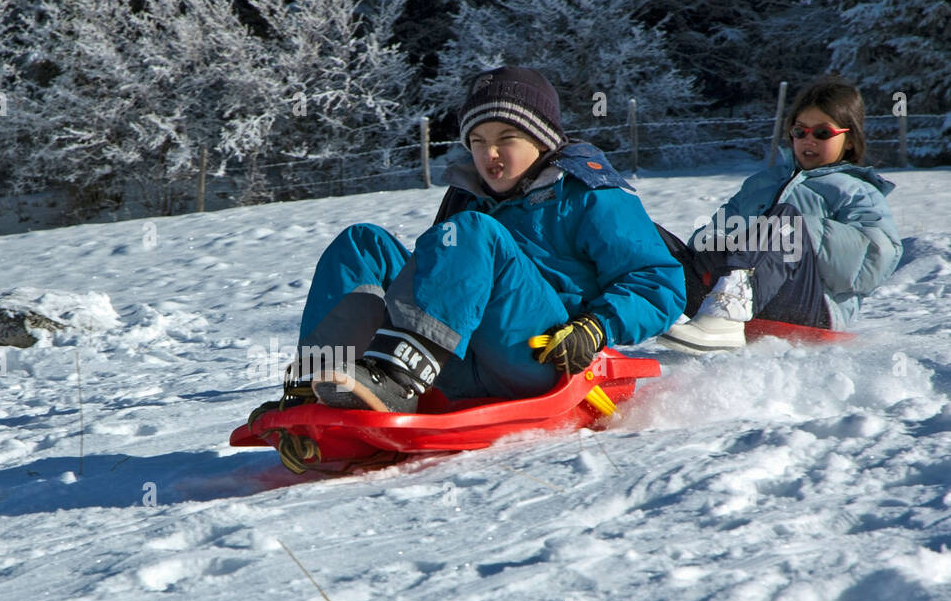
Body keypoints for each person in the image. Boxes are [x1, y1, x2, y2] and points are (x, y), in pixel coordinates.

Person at [250, 65, 685, 419]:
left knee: (474, 231)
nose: (488, 155)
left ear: (542, 140)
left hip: (541, 355)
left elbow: (659, 282)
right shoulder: (467, 197)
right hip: (453, 362)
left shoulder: (589, 193)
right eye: (477, 142)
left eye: (505, 140)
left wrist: (597, 326)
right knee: (362, 244)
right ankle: (318, 383)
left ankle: (397, 377)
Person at [658, 75, 901, 353]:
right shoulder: (761, 183)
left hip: (808, 305)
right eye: (800, 131)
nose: (808, 140)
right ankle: (606, 323)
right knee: (640, 234)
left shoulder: (856, 191)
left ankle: (724, 316)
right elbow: (712, 232)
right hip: (723, 293)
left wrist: (801, 231)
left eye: (822, 133)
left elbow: (879, 255)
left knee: (786, 222)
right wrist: (723, 245)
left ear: (849, 140)